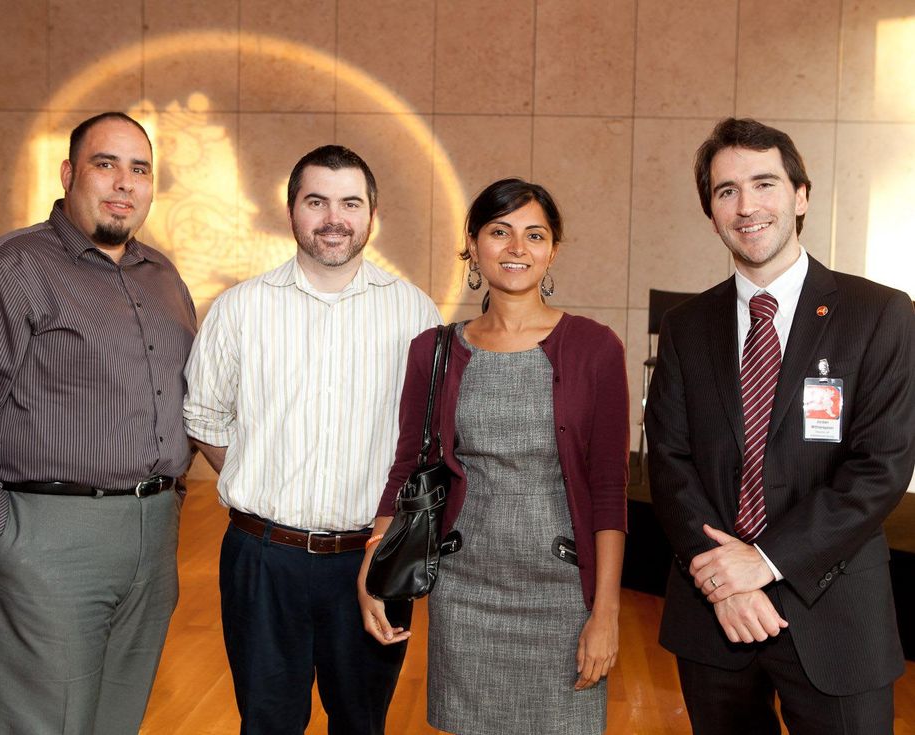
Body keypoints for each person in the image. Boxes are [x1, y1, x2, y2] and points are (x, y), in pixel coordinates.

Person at [644, 118, 915, 734]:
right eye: (726, 191)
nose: (747, 206)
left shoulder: (880, 314)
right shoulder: (687, 328)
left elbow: (881, 468)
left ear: (800, 196)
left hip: (837, 616)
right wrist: (726, 580)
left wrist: (763, 562)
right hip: (714, 616)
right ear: (711, 214)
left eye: (764, 183)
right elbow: (669, 463)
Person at [0, 112, 197, 734]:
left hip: (151, 541)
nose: (123, 184)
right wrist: (0, 537)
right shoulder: (8, 269)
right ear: (69, 173)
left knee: (116, 721)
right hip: (43, 537)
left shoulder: (162, 277)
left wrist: (171, 500)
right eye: (105, 164)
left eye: (139, 169)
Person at [183, 144, 440, 735]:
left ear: (372, 213)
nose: (334, 217)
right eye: (316, 200)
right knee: (268, 723)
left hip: (373, 560)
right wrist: (269, 481)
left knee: (361, 723)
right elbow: (206, 419)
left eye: (350, 202)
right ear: (291, 209)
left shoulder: (413, 313)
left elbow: (427, 440)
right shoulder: (242, 309)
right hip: (263, 559)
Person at [359, 178, 630, 735]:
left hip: (563, 596)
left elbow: (608, 490)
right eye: (499, 232)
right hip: (465, 592)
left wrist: (606, 613)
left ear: (552, 250)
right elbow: (408, 467)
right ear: (474, 245)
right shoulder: (433, 351)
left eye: (534, 235)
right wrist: (372, 564)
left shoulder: (595, 347)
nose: (516, 248)